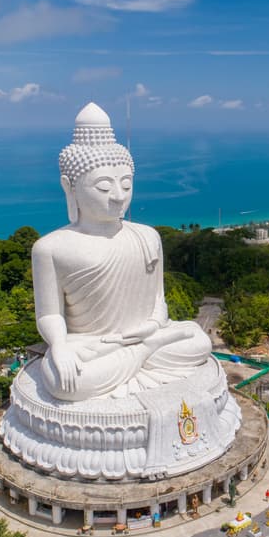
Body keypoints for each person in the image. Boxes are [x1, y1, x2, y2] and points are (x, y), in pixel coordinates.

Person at [32, 103, 213, 401]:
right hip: (92, 345)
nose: (118, 196)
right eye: (104, 187)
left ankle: (143, 350)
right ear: (70, 187)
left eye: (126, 185)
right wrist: (60, 347)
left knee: (198, 340)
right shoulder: (50, 248)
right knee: (64, 381)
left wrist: (151, 328)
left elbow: (159, 301)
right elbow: (50, 314)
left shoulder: (147, 237)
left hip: (145, 336)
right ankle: (144, 354)